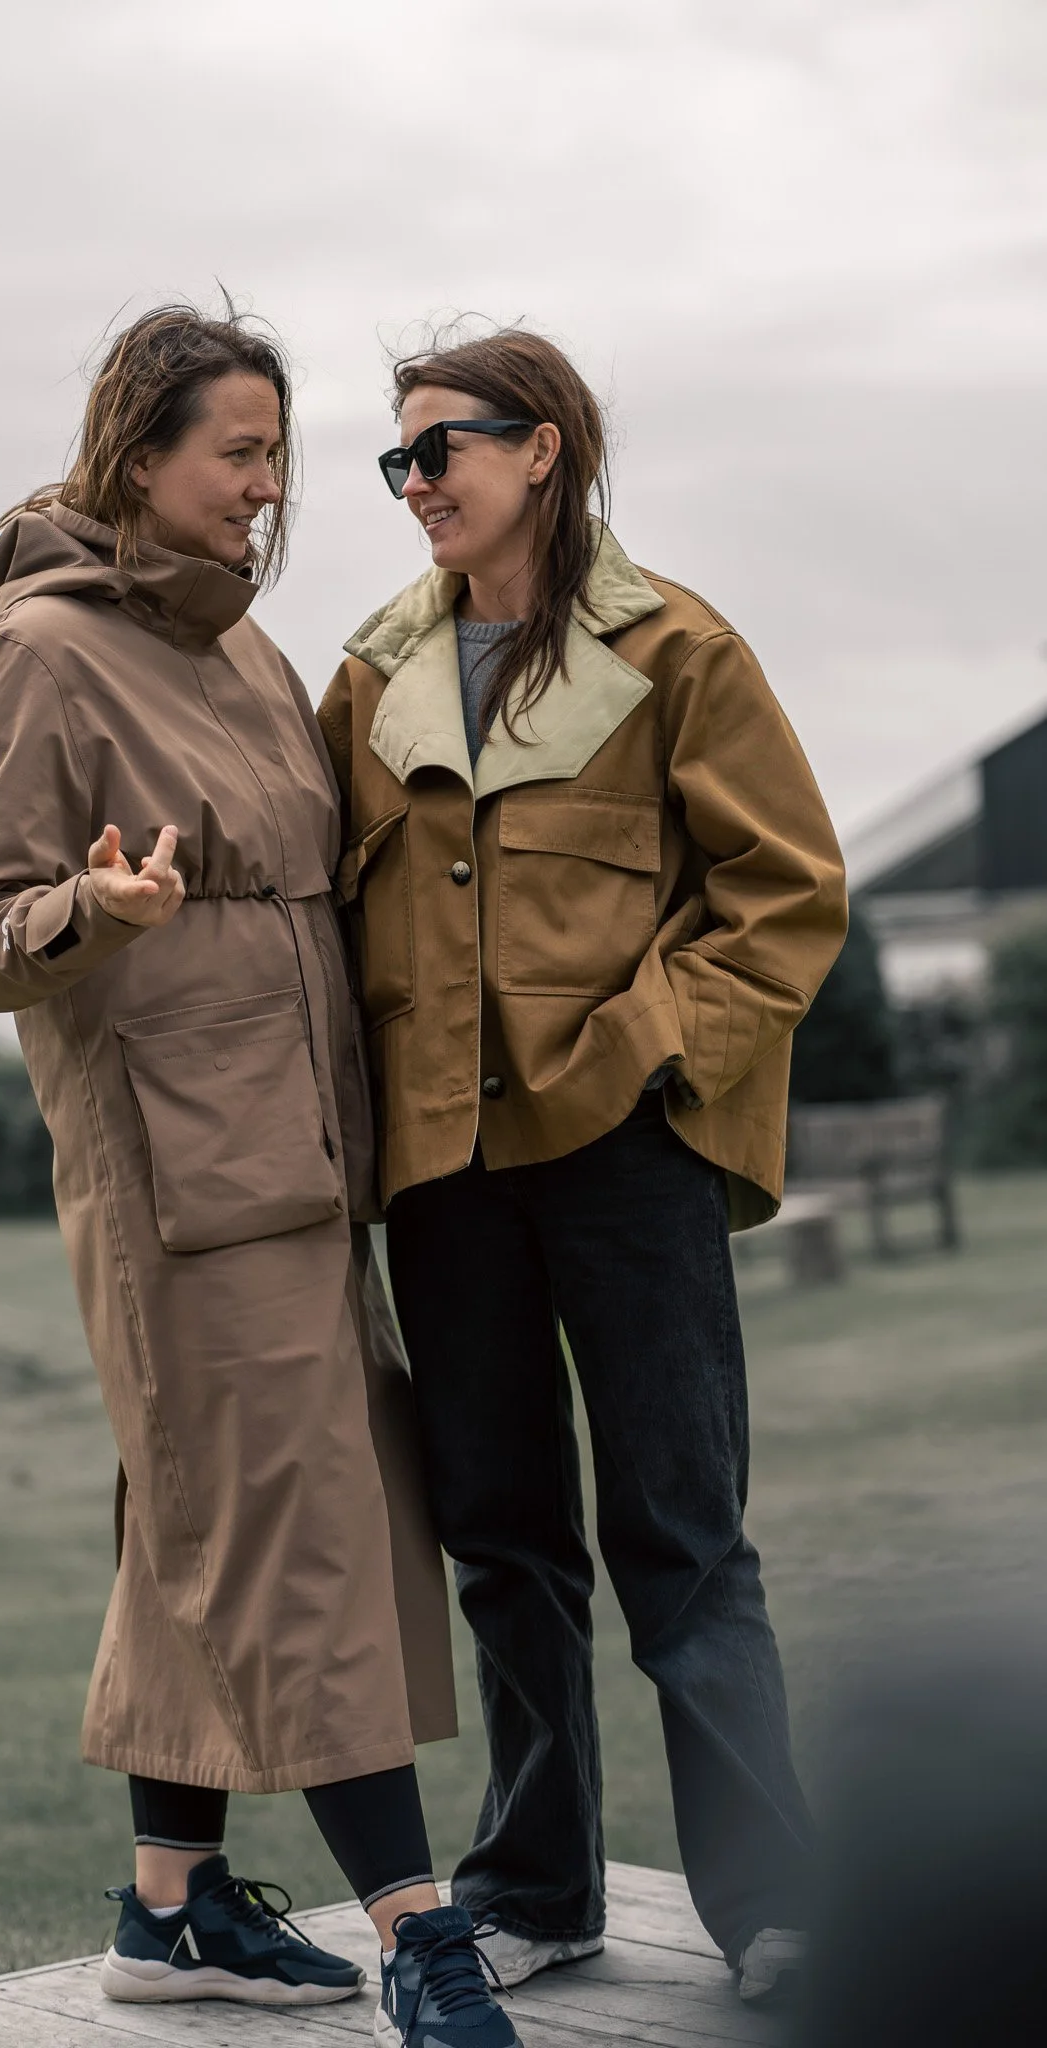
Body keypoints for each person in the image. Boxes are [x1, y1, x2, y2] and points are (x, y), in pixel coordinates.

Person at [0, 302, 520, 2048]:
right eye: (235, 454)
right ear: (136, 456)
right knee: (303, 1534)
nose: (268, 489)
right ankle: (423, 1934)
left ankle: (167, 1912)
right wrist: (85, 912)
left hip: (304, 1162)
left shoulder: (249, 657)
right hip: (176, 1177)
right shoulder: (35, 656)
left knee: (209, 1511)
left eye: (279, 454)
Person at [318, 327, 848, 2008]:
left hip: (629, 1159)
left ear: (540, 448)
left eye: (440, 449)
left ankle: (773, 1904)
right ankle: (537, 1886)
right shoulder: (367, 680)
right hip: (447, 1175)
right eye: (395, 461)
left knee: (683, 1537)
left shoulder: (678, 651)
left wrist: (646, 1056)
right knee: (500, 1538)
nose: (416, 485)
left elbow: (787, 895)